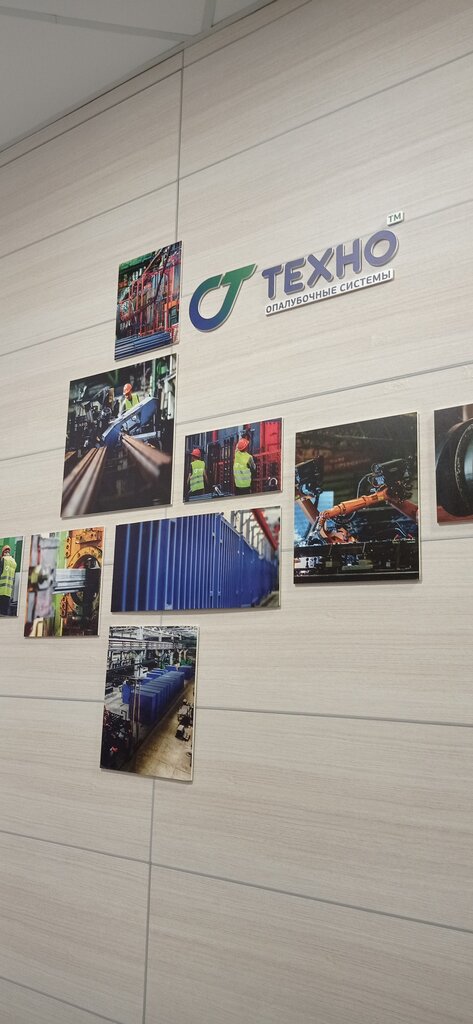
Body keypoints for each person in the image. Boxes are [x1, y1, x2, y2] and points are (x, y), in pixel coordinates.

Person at [0, 544, 17, 616]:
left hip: (1, 591)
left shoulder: (3, 560)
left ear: (3, 552)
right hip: (8, 592)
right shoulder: (14, 562)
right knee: (5, 612)